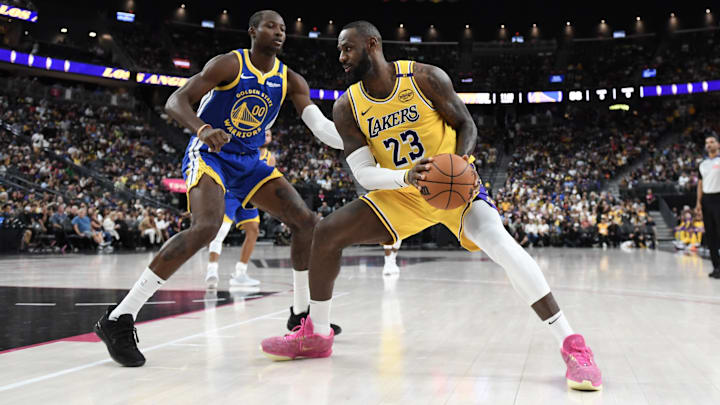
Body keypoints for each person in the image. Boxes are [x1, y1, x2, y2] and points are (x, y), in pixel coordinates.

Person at [261, 21, 602, 391]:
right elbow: (362, 171)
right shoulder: (347, 106)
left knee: (503, 245)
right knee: (326, 233)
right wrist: (406, 177)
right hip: (399, 195)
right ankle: (318, 335)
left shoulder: (424, 78)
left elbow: (466, 125)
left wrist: (458, 165)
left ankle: (572, 346)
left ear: (372, 43)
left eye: (348, 48)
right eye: (340, 51)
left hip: (453, 191)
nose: (342, 57)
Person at [94, 10, 343, 368]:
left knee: (306, 222)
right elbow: (175, 101)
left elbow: (318, 124)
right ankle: (119, 317)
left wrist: (353, 138)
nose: (279, 32)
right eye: (271, 26)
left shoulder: (290, 79)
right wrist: (201, 129)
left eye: (283, 28)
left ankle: (300, 315)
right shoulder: (230, 64)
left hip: (248, 160)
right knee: (207, 227)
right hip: (210, 153)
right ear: (253, 30)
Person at [205, 129, 276, 288]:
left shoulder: (270, 158)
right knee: (221, 230)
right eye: (264, 133)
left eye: (269, 134)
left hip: (249, 196)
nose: (266, 136)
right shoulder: (246, 148)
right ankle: (212, 270)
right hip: (232, 192)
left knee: (253, 230)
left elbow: (266, 182)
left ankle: (240, 272)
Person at [696, 134, 720, 278]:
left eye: (712, 142)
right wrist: (698, 202)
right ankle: (716, 267)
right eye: (707, 143)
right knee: (710, 234)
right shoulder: (702, 164)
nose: (709, 145)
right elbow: (700, 184)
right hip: (707, 199)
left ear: (718, 144)